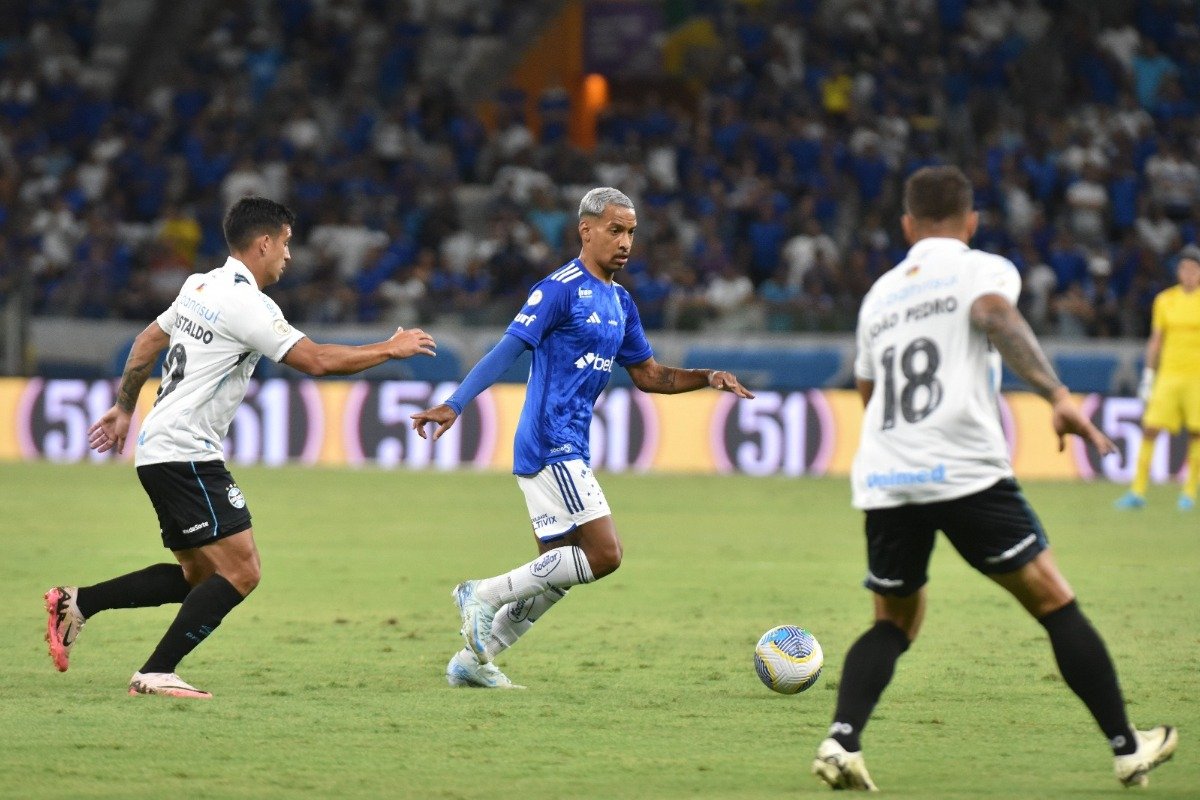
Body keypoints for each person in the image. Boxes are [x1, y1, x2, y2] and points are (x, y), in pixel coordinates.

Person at [811, 167, 1177, 791]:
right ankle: (1126, 747)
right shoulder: (982, 268)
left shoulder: (880, 294)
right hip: (964, 469)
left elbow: (869, 391)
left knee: (893, 621)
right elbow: (993, 314)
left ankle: (841, 741)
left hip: (889, 474)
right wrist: (1057, 396)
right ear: (972, 221)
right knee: (1054, 602)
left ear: (907, 225)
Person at [45, 196, 436, 699]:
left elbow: (146, 342)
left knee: (200, 575)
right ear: (264, 243)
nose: (289, 255)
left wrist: (124, 407)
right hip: (188, 452)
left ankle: (78, 603)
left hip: (159, 449)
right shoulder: (248, 304)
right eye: (286, 244)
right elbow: (316, 360)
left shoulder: (200, 285)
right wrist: (389, 348)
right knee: (243, 572)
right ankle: (156, 672)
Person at [410, 187, 754, 689]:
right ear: (586, 231)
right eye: (615, 230)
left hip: (569, 443)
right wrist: (455, 403)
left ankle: (472, 662)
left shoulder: (621, 301)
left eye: (631, 232)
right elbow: (508, 348)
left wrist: (707, 376)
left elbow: (650, 375)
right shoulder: (559, 289)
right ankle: (481, 594)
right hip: (551, 441)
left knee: (556, 575)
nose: (625, 242)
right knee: (604, 555)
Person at [1114, 245, 1200, 512]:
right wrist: (1149, 376)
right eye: (1184, 268)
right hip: (1168, 376)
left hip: (1196, 378)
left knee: (1196, 433)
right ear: (1178, 271)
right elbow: (1156, 341)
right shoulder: (1165, 300)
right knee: (1150, 428)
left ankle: (1189, 492)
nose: (1189, 274)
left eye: (1194, 269)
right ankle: (1137, 490)